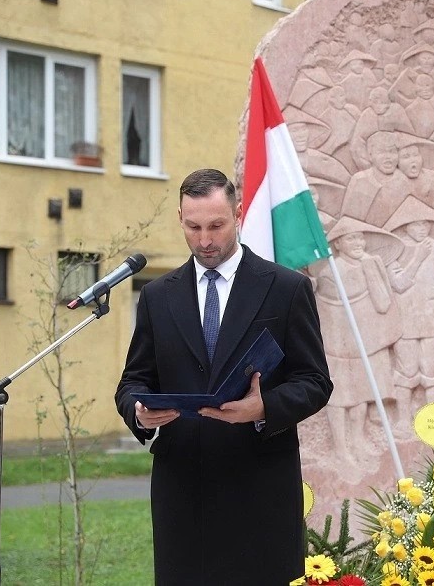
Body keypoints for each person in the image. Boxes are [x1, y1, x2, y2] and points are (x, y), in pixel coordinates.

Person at [115, 169, 333, 584]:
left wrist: (263, 407)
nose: (205, 240)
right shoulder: (158, 296)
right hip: (181, 493)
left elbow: (315, 381)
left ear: (237, 214)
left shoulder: (286, 289)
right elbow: (133, 382)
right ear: (180, 217)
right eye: (193, 227)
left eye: (216, 225)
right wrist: (139, 412)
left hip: (261, 488)